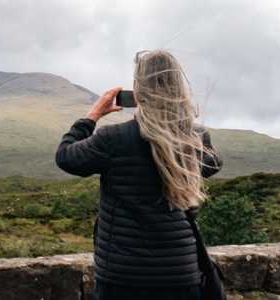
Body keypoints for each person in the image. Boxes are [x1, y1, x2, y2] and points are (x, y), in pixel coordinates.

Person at [55, 50, 222, 300]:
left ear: (137, 89)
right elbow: (214, 164)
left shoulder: (113, 139)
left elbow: (66, 157)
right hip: (181, 274)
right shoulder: (194, 138)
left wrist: (93, 116)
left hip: (122, 277)